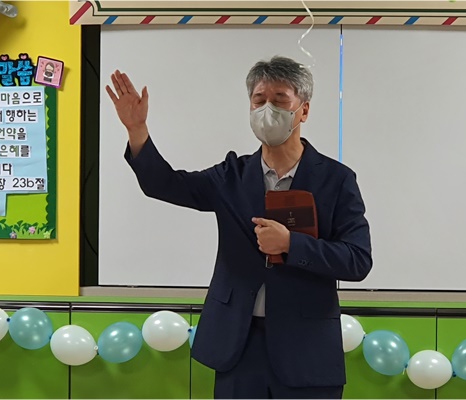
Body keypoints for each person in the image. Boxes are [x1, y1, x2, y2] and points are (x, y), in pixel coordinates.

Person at [106, 56, 372, 399]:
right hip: (238, 343)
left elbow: (357, 260)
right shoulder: (231, 175)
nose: (267, 109)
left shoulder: (336, 179)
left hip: (305, 348)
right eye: (259, 100)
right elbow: (165, 184)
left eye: (279, 100)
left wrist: (291, 244)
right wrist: (137, 130)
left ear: (303, 110)